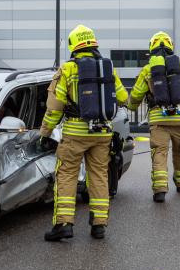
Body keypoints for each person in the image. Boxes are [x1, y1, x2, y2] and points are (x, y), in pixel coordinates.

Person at [40, 24, 128, 241]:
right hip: (103, 133)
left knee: (66, 175)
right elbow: (123, 98)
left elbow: (54, 108)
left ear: (73, 45)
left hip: (75, 134)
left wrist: (45, 133)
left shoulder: (68, 69)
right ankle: (99, 225)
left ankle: (63, 224)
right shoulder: (107, 67)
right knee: (98, 175)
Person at [128, 32, 180, 202]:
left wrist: (130, 106)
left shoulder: (148, 69)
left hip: (158, 119)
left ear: (152, 47)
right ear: (170, 46)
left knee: (159, 153)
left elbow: (136, 95)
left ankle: (160, 190)